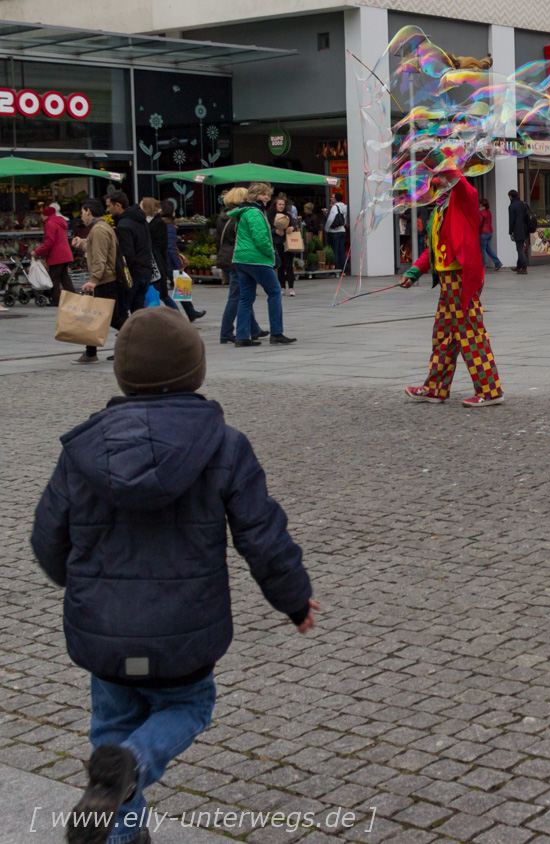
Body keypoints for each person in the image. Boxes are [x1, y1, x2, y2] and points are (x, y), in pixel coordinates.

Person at [31, 307, 317, 844]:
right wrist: (294, 601)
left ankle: (117, 815)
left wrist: (82, 588)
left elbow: (48, 538)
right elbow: (262, 535)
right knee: (188, 705)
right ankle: (133, 764)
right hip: (185, 634)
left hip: (105, 632)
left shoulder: (83, 450)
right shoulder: (224, 445)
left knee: (111, 725)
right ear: (195, 372)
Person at [401, 171, 503, 407]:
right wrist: (414, 271)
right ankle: (435, 388)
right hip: (447, 281)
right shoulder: (438, 209)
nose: (434, 182)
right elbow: (434, 248)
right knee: (443, 335)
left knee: (471, 334)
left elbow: (463, 186)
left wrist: (446, 165)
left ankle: (490, 391)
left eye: (439, 179)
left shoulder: (464, 199)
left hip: (461, 277)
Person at [230, 182, 297, 346]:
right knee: (274, 291)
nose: (267, 197)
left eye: (267, 194)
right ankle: (276, 333)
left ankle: (242, 336)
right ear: (254, 196)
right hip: (256, 259)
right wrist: (272, 255)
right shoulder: (255, 213)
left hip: (241, 258)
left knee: (245, 298)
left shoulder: (244, 212)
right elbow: (260, 238)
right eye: (263, 194)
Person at [70, 199, 126, 365]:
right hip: (106, 279)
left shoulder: (99, 230)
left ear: (89, 212)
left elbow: (100, 257)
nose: (81, 217)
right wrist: (81, 244)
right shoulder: (100, 228)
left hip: (105, 280)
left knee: (112, 318)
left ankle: (139, 337)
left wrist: (93, 280)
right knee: (97, 317)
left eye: (82, 213)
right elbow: (96, 248)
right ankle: (90, 352)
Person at [217, 188, 264, 344]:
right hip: (237, 258)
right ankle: (226, 332)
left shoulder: (223, 216)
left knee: (244, 294)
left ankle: (254, 329)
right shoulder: (238, 216)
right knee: (237, 296)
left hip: (225, 257)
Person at [157, 199, 206, 322]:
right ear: (172, 212)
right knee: (177, 288)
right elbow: (170, 247)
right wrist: (178, 264)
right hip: (169, 262)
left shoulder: (158, 224)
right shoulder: (170, 227)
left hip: (162, 260)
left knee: (178, 287)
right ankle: (186, 313)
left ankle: (191, 312)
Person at [105, 189, 152, 316]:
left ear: (118, 205)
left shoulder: (124, 225)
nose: (107, 210)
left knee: (121, 311)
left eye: (109, 206)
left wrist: (121, 275)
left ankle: (127, 334)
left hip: (133, 274)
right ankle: (138, 335)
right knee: (138, 311)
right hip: (146, 271)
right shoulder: (140, 220)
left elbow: (127, 254)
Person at [33, 204, 74, 306]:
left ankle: (56, 300)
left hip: (57, 255)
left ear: (46, 215)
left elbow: (49, 241)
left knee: (54, 278)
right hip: (66, 254)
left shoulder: (50, 224)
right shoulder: (60, 222)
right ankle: (74, 298)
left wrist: (37, 251)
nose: (41, 217)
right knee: (65, 278)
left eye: (42, 215)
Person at [267, 196, 295, 295]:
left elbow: (293, 225)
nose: (281, 206)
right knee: (280, 266)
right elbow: (267, 230)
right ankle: (282, 287)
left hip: (287, 243)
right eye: (279, 204)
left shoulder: (288, 215)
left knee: (289, 266)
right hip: (277, 242)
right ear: (275, 205)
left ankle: (291, 287)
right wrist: (275, 231)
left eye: (283, 204)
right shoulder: (270, 216)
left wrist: (292, 228)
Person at [507, 189, 529, 275]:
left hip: (517, 230)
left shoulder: (512, 206)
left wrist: (510, 232)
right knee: (520, 248)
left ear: (511, 196)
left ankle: (523, 267)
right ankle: (519, 266)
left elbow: (511, 220)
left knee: (519, 249)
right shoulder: (523, 204)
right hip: (525, 229)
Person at [325, 192, 348, 271]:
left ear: (335, 199)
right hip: (342, 230)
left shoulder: (335, 207)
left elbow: (331, 219)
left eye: (332, 197)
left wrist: (326, 229)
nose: (331, 198)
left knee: (334, 250)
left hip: (334, 232)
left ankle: (335, 268)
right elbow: (345, 219)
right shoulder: (345, 207)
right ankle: (343, 268)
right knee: (341, 250)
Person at [478, 197, 502, 271]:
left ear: (481, 204)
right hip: (490, 232)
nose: (478, 204)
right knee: (488, 249)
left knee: (482, 249)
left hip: (483, 233)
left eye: (479, 203)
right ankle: (497, 262)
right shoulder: (488, 211)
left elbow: (480, 223)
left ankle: (482, 266)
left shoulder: (481, 213)